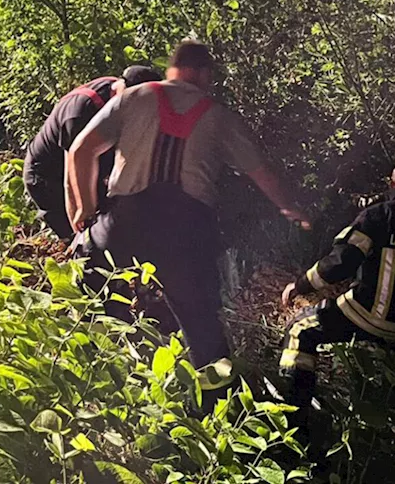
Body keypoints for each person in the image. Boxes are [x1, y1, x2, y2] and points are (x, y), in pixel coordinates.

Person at [68, 40, 309, 395]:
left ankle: (88, 379)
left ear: (172, 69)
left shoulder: (135, 96)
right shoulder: (217, 115)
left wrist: (86, 210)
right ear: (200, 73)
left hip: (127, 221)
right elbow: (262, 173)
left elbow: (80, 150)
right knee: (203, 329)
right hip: (186, 230)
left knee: (86, 277)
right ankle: (216, 406)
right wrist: (291, 208)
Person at [277, 161, 395, 417]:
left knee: (300, 330)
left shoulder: (378, 216)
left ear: (392, 185)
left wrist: (300, 286)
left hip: (364, 316)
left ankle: (293, 415)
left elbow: (340, 264)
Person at [22, 65, 161, 239]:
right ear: (125, 92)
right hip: (49, 176)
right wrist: (80, 227)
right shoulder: (80, 112)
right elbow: (70, 181)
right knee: (81, 236)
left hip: (89, 160)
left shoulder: (120, 96)